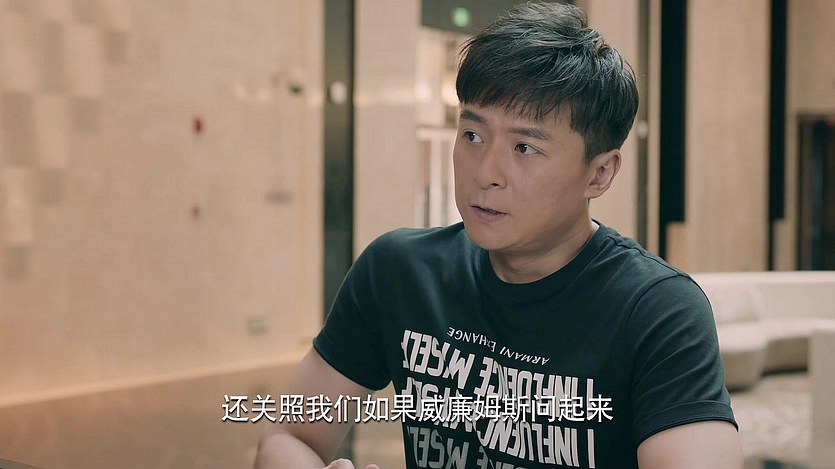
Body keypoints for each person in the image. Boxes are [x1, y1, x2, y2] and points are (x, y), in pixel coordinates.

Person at [254, 2, 742, 468]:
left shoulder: (657, 311)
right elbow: (288, 437)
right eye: (472, 135)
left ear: (599, 174)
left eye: (524, 147)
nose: (485, 172)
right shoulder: (398, 272)